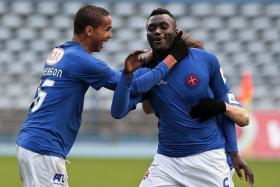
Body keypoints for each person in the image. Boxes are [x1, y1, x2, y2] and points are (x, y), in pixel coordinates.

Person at [15, 5, 188, 187]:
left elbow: (121, 78)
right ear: (90, 31)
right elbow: (132, 85)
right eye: (107, 29)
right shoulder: (83, 61)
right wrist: (170, 59)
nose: (110, 36)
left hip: (32, 141)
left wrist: (147, 60)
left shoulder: (63, 51)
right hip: (43, 147)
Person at [111, 8, 254, 187]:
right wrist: (127, 74)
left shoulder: (206, 60)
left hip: (208, 159)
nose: (157, 31)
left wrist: (233, 153)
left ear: (176, 32)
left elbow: (225, 109)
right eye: (152, 28)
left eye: (164, 26)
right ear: (147, 34)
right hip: (166, 162)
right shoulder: (145, 70)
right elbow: (118, 111)